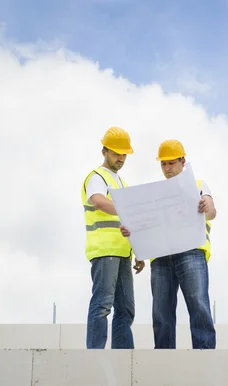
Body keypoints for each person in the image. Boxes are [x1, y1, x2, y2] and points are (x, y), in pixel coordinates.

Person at [121, 139, 217, 349]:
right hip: (161, 256)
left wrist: (205, 205)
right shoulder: (155, 194)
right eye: (163, 164)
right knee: (161, 312)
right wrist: (134, 237)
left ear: (183, 161)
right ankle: (163, 358)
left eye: (171, 163)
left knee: (198, 304)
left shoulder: (198, 185)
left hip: (191, 252)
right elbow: (146, 225)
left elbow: (212, 212)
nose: (167, 168)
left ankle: (206, 355)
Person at [81, 126, 145, 349]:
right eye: (116, 152)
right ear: (104, 151)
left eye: (124, 153)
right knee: (103, 305)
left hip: (123, 253)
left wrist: (139, 251)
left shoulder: (121, 183)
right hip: (105, 251)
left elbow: (128, 222)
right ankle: (95, 353)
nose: (121, 157)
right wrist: (127, 209)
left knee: (126, 308)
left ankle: (123, 355)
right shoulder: (97, 177)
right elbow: (98, 201)